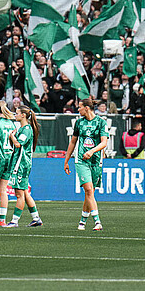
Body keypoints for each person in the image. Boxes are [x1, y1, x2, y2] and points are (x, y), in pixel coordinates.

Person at [63, 98, 107, 231]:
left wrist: (92, 151)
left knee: (90, 193)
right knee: (88, 189)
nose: (78, 109)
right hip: (81, 160)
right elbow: (73, 142)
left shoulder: (101, 122)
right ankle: (97, 222)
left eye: (80, 107)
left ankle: (82, 221)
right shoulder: (79, 123)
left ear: (86, 108)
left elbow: (104, 142)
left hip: (96, 161)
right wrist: (66, 160)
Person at [2, 106, 42, 227]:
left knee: (19, 194)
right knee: (24, 192)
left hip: (22, 164)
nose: (15, 115)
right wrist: (13, 137)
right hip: (19, 163)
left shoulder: (27, 130)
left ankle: (15, 221)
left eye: (17, 113)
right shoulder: (21, 129)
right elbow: (15, 144)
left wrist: (12, 136)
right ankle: (36, 218)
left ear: (23, 115)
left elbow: (18, 144)